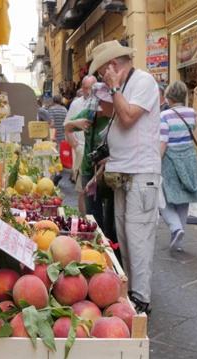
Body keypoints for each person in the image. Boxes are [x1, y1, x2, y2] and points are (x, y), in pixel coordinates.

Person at [90, 40, 161, 314]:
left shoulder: (143, 82)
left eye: (102, 72)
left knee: (138, 238)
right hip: (123, 174)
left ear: (113, 65)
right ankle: (131, 294)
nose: (100, 78)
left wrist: (115, 88)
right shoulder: (124, 85)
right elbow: (113, 116)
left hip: (141, 175)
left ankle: (142, 299)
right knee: (126, 238)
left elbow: (129, 116)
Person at [66, 82, 119, 263]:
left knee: (112, 222)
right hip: (90, 168)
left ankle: (113, 257)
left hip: (111, 173)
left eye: (103, 104)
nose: (100, 109)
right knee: (93, 217)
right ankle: (97, 254)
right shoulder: (89, 114)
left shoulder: (115, 118)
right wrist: (74, 127)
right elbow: (68, 127)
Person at [159, 80, 197, 251]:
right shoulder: (192, 113)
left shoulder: (165, 116)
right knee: (184, 197)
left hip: (171, 159)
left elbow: (163, 142)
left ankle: (176, 228)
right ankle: (178, 237)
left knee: (164, 197)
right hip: (189, 157)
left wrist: (156, 162)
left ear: (169, 97)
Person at [64, 76, 97, 215]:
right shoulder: (76, 104)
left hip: (98, 151)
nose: (88, 91)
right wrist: (76, 147)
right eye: (85, 88)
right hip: (82, 149)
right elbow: (67, 127)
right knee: (82, 189)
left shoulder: (101, 102)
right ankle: (85, 219)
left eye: (90, 88)